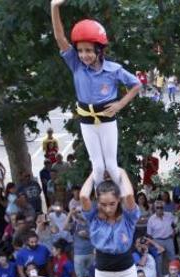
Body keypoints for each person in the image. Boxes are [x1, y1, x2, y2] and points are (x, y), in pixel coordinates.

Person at [50, 0, 141, 186]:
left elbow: (136, 84)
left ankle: (126, 200)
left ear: (99, 50)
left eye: (89, 50)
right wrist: (54, 7)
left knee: (112, 165)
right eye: (81, 50)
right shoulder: (76, 65)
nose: (84, 55)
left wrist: (119, 104)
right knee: (98, 167)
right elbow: (60, 38)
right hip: (86, 120)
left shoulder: (113, 69)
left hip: (107, 118)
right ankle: (100, 201)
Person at [79, 167, 141, 277]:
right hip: (104, 273)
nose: (108, 208)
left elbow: (128, 196)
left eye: (112, 204)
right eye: (103, 204)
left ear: (118, 201)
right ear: (97, 202)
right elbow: (84, 196)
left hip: (126, 271)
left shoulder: (128, 217)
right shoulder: (93, 218)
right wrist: (95, 173)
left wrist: (120, 172)